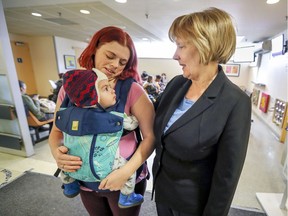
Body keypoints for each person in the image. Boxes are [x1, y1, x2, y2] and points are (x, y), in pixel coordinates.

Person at [152, 7, 252, 216]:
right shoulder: (176, 84)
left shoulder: (235, 102)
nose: (175, 55)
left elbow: (227, 177)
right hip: (162, 194)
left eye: (181, 46)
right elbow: (149, 122)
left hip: (193, 207)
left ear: (206, 46)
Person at [48, 26, 155, 216]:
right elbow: (57, 131)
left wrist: (125, 172)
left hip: (123, 182)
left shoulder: (132, 90)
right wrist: (58, 154)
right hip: (84, 181)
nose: (115, 65)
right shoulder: (71, 89)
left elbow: (150, 137)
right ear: (95, 49)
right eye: (110, 55)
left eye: (123, 61)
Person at [59, 68, 143, 208]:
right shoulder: (115, 116)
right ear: (92, 95)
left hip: (76, 167)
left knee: (65, 162)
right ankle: (127, 196)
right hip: (106, 168)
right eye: (105, 88)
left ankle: (69, 186)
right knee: (128, 170)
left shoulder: (68, 113)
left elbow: (58, 129)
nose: (112, 90)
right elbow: (133, 123)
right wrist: (134, 118)